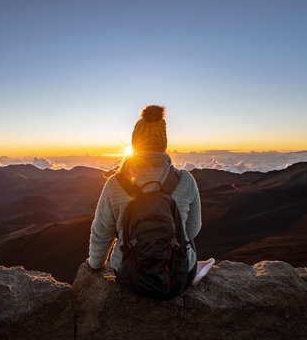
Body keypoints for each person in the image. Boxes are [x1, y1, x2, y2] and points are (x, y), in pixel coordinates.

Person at [87, 105, 214, 288]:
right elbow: (192, 230)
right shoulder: (185, 180)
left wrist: (95, 265)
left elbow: (102, 232)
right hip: (178, 275)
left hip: (129, 275)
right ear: (164, 144)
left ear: (135, 143)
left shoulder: (116, 183)